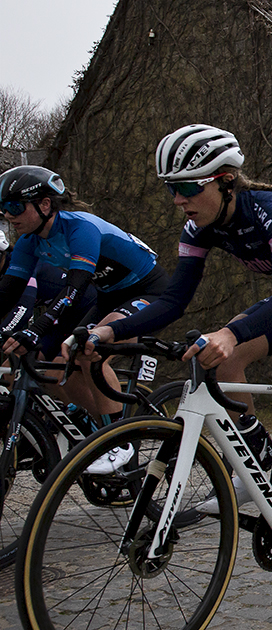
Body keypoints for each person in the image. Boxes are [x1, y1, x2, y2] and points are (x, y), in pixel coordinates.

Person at [85, 124, 272, 571]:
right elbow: (173, 301)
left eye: (186, 188)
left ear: (223, 180)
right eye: (171, 189)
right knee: (224, 360)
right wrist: (109, 332)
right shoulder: (199, 227)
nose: (178, 200)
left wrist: (230, 333)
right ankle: (257, 458)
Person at [0, 164, 169, 474]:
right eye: (3, 209)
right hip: (111, 296)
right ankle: (99, 429)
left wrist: (36, 329)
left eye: (14, 206)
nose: (8, 215)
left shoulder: (80, 227)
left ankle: (120, 441)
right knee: (62, 360)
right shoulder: (28, 243)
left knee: (93, 350)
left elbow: (75, 287)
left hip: (151, 291)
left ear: (45, 204)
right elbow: (7, 292)